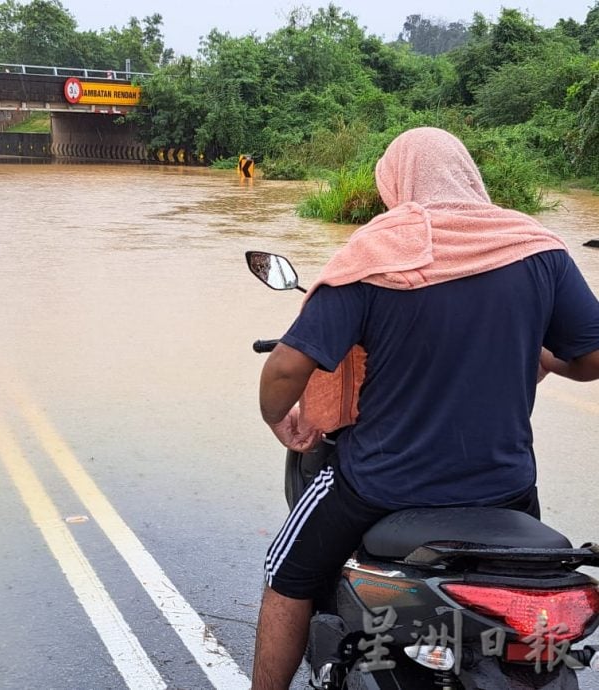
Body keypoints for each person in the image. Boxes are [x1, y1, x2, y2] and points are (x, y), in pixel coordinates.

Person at [251, 127, 599, 689]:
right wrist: (548, 359)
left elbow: (288, 367)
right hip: (504, 489)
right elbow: (592, 357)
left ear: (396, 181)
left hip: (378, 485)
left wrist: (278, 418)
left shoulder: (377, 254)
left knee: (285, 576)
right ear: (467, 174)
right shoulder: (537, 247)